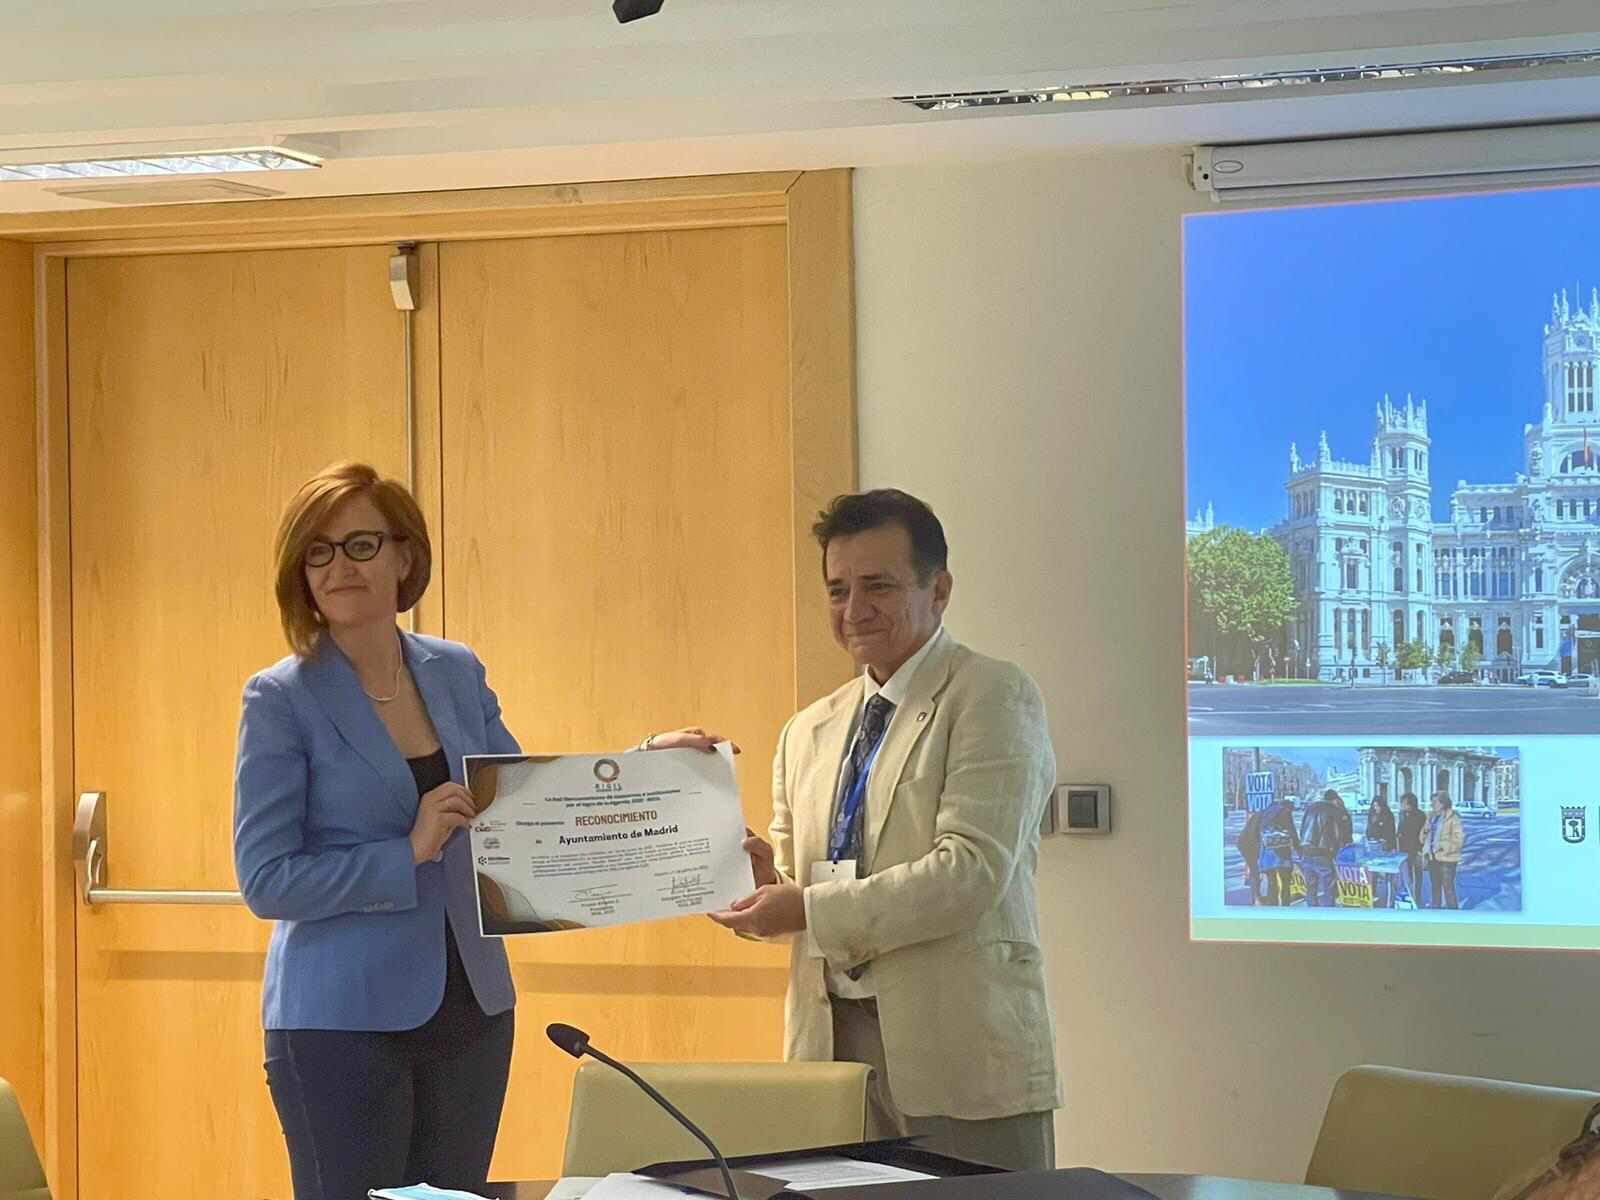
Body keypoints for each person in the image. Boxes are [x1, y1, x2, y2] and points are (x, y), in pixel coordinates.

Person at [702, 489, 1060, 1171]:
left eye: (878, 586)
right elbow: (801, 888)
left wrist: (805, 907)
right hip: (831, 1052)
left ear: (939, 590)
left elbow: (970, 873)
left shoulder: (992, 695)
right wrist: (758, 885)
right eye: (838, 590)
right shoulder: (808, 729)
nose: (854, 609)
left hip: (959, 1053)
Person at [234, 462, 519, 1199]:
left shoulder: (455, 670)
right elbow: (266, 880)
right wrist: (407, 852)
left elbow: (521, 803)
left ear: (404, 556)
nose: (339, 566)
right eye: (318, 552)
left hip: (474, 1009)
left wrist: (652, 774)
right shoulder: (280, 698)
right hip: (340, 1024)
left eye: (360, 544)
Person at [1299, 789, 1352, 907]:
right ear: (1335, 799)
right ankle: (1328, 912)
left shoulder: (1310, 807)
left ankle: (1311, 910)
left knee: (1311, 887)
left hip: (1305, 850)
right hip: (1321, 851)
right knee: (1328, 887)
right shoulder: (1333, 809)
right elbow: (1338, 834)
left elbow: (1302, 830)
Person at [1422, 787, 1466, 909]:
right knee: (1435, 888)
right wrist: (1425, 830)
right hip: (1433, 857)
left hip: (1447, 859)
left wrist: (1442, 845)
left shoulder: (1453, 818)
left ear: (1443, 803)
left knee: (1448, 889)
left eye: (1435, 802)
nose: (1432, 804)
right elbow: (1422, 839)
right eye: (1432, 802)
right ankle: (1435, 911)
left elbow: (1459, 840)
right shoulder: (1430, 817)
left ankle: (1453, 913)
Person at [1256, 795, 1299, 907]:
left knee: (1271, 880)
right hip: (1281, 851)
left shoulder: (1265, 812)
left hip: (1267, 851)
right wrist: (1298, 847)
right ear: (1288, 807)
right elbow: (1291, 830)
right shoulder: (1285, 812)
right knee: (1285, 880)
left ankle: (1272, 903)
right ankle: (1285, 904)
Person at [1397, 791, 1426, 906]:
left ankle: (1418, 896)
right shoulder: (1402, 814)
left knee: (1418, 873)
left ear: (1412, 803)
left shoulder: (1420, 815)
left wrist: (1420, 847)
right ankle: (1408, 894)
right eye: (1402, 803)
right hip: (1404, 848)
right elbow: (1400, 828)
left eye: (1406, 803)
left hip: (1417, 847)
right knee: (1406, 873)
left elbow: (1423, 833)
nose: (1404, 806)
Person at [1236, 805, 1264, 904]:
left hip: (1246, 843)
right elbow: (1253, 836)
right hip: (1248, 845)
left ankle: (1256, 896)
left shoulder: (1261, 815)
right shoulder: (1267, 816)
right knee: (1255, 870)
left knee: (1255, 870)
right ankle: (1256, 898)